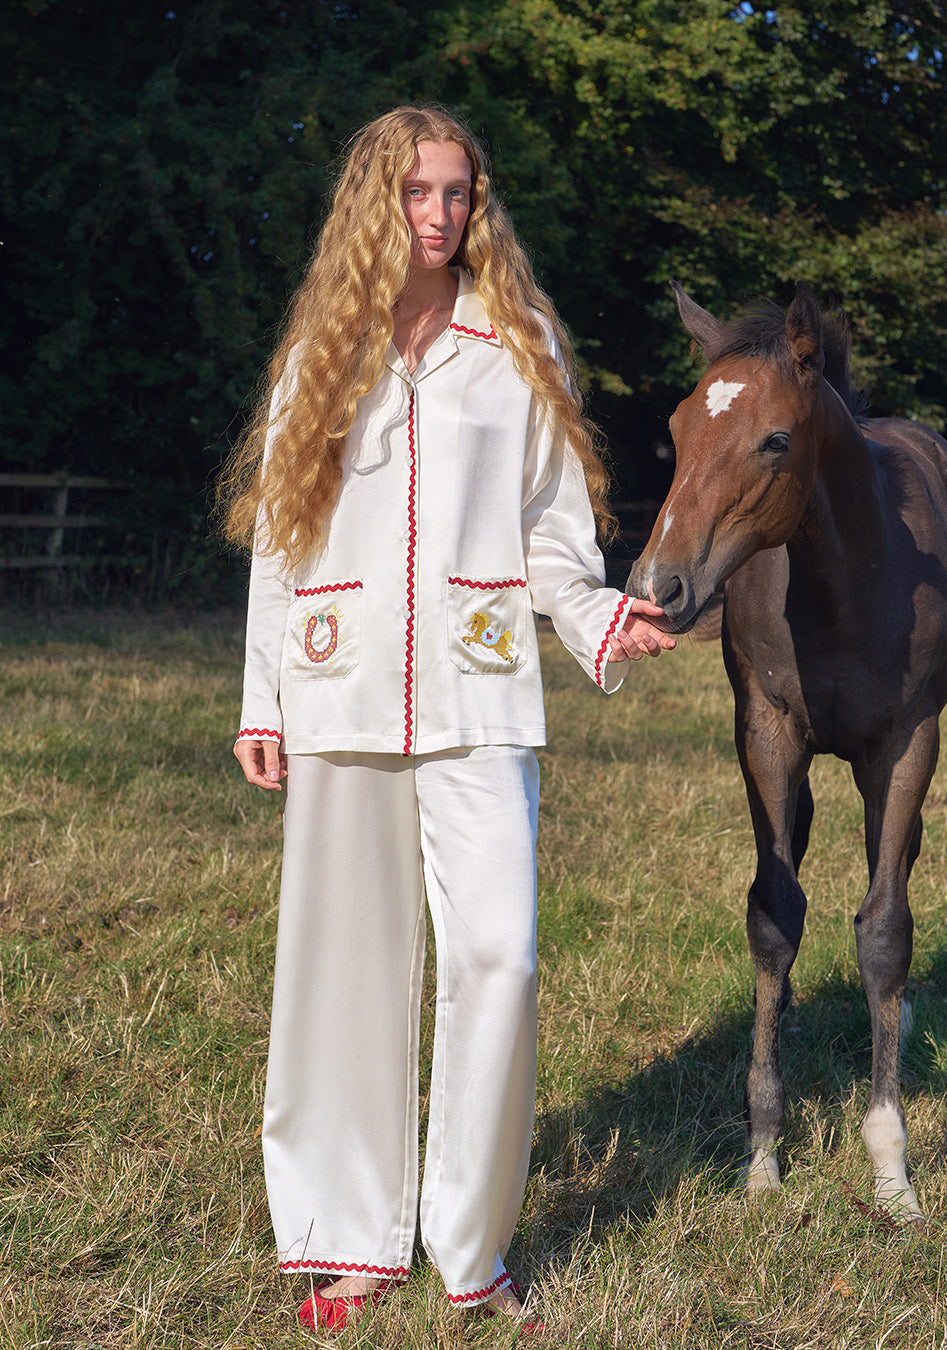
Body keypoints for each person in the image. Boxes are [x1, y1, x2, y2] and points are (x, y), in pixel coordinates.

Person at [219, 104, 675, 1334]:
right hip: (338, 681)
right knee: (344, 972)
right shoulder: (325, 344)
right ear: (379, 200)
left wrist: (596, 624)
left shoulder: (518, 343)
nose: (442, 214)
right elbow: (281, 531)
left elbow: (555, 539)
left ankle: (469, 1247)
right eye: (420, 193)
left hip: (479, 690)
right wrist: (263, 693)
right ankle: (344, 1237)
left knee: (502, 954)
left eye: (461, 193)